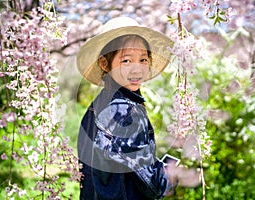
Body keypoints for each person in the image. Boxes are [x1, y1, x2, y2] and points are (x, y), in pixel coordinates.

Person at [76, 16, 194, 200]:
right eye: (126, 61)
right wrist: (174, 164)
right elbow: (155, 185)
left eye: (143, 60)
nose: (137, 69)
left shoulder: (96, 108)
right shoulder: (125, 113)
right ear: (104, 64)